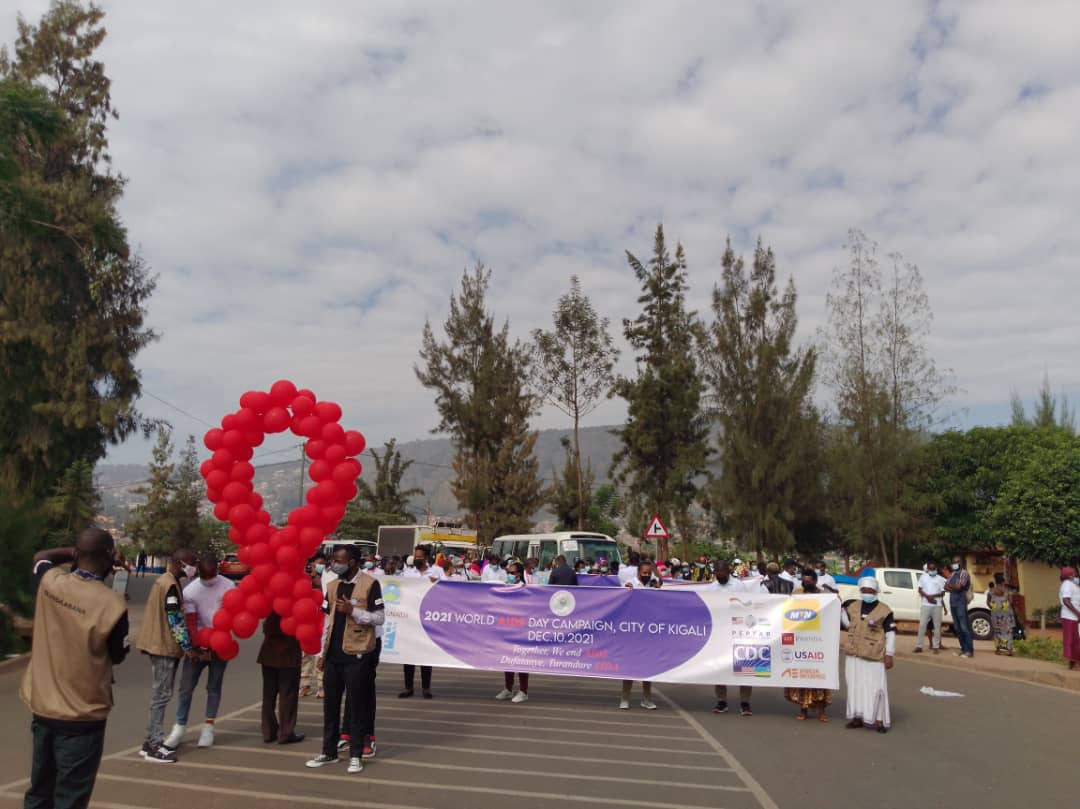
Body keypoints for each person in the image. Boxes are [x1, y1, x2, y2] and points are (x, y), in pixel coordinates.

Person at [21, 529, 130, 808]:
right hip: (83, 715)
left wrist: (76, 551)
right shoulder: (114, 604)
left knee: (39, 791)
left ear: (77, 554)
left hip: (44, 708)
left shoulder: (50, 581)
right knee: (70, 799)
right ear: (109, 558)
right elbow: (118, 656)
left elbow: (41, 556)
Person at [307, 545, 384, 774]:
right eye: (332, 560)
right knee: (330, 706)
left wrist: (353, 611)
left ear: (351, 562)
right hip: (333, 655)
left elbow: (379, 618)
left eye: (338, 560)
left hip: (357, 653)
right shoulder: (332, 586)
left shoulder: (370, 584)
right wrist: (322, 654)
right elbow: (327, 622)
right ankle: (328, 752)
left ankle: (356, 755)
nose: (333, 564)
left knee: (357, 705)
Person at [164, 553, 236, 749]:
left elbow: (232, 616)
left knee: (214, 687)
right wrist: (196, 648)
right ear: (199, 572)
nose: (208, 580)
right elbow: (190, 622)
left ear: (217, 570)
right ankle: (179, 727)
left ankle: (208, 727)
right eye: (205, 576)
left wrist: (218, 643)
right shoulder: (191, 591)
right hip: (198, 646)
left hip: (220, 644)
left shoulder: (229, 587)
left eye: (211, 576)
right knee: (186, 688)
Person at [135, 547, 198, 763]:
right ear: (181, 563)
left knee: (159, 695)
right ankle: (154, 745)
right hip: (163, 647)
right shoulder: (170, 585)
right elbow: (174, 620)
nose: (194, 568)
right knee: (161, 696)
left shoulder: (164, 580)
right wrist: (188, 646)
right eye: (192, 563)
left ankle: (149, 742)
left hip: (158, 644)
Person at [842, 576, 896, 733]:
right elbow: (848, 625)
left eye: (870, 590)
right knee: (855, 686)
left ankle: (879, 720)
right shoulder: (853, 606)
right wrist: (839, 610)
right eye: (864, 590)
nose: (867, 593)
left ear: (876, 591)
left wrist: (889, 654)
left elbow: (891, 633)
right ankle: (857, 717)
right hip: (854, 654)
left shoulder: (884, 610)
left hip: (874, 655)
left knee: (877, 687)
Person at [785, 570, 831, 722]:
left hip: (818, 641)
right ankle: (803, 710)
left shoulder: (824, 595)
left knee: (820, 677)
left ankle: (822, 712)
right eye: (804, 581)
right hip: (801, 640)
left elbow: (833, 609)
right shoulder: (796, 594)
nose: (806, 583)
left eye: (809, 581)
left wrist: (835, 599)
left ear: (815, 581)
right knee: (803, 678)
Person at [711, 561, 754, 716]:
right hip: (719, 633)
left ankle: (745, 702)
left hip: (738, 631)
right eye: (717, 574)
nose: (720, 576)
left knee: (744, 667)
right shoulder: (712, 588)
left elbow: (748, 605)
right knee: (720, 667)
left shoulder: (738, 586)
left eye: (722, 573)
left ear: (728, 572)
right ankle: (721, 701)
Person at [258, 612, 306, 744]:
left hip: (269, 654)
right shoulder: (293, 608)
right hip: (288, 655)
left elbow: (266, 628)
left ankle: (268, 731)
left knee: (268, 696)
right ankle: (286, 732)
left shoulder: (270, 606)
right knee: (288, 695)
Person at [620, 562, 661, 710]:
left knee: (647, 667)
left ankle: (647, 699)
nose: (647, 575)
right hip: (632, 633)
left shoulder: (653, 585)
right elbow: (620, 599)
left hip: (648, 633)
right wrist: (626, 590)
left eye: (649, 573)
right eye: (644, 573)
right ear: (639, 573)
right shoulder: (630, 583)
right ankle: (625, 698)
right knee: (629, 666)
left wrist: (658, 590)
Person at [400, 545, 438, 699]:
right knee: (408, 656)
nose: (417, 559)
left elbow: (447, 589)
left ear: (426, 558)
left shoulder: (436, 572)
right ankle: (408, 688)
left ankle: (426, 688)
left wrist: (437, 583)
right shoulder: (408, 573)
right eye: (415, 556)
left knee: (425, 655)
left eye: (420, 557)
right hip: (410, 618)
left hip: (427, 619)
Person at [301, 555, 327, 698]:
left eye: (323, 563)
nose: (320, 566)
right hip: (307, 621)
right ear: (311, 564)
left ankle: (322, 686)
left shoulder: (328, 579)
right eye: (318, 563)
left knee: (320, 654)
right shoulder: (304, 579)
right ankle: (304, 685)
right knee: (305, 654)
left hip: (323, 620)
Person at [945, 555, 974, 658]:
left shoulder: (964, 574)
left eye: (957, 562)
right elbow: (945, 586)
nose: (955, 564)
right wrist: (954, 587)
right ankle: (963, 649)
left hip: (961, 603)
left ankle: (969, 650)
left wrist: (951, 587)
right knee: (957, 628)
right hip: (953, 603)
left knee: (964, 627)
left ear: (961, 563)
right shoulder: (952, 574)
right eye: (953, 562)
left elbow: (959, 587)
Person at [915, 561, 946, 654]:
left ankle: (936, 647)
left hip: (937, 605)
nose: (933, 570)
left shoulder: (940, 579)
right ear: (928, 569)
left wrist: (933, 596)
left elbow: (943, 593)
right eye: (931, 569)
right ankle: (919, 646)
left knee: (937, 627)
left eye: (934, 569)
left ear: (936, 569)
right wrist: (927, 597)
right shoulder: (923, 577)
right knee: (922, 625)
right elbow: (919, 590)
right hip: (925, 604)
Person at [987, 574, 1015, 656]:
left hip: (995, 614)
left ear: (996, 582)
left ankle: (998, 649)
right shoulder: (1007, 591)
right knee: (1008, 630)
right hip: (1006, 613)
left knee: (997, 631)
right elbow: (1011, 602)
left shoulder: (991, 591)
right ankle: (1009, 649)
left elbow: (988, 602)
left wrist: (994, 608)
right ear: (1003, 582)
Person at [1060, 567, 1080, 670]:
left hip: (1074, 617)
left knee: (1075, 640)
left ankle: (1073, 664)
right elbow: (1066, 600)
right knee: (1074, 641)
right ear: (1070, 576)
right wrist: (1077, 613)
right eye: (1074, 574)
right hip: (1070, 616)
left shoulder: (1073, 585)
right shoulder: (1067, 584)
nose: (1076, 576)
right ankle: (1075, 664)